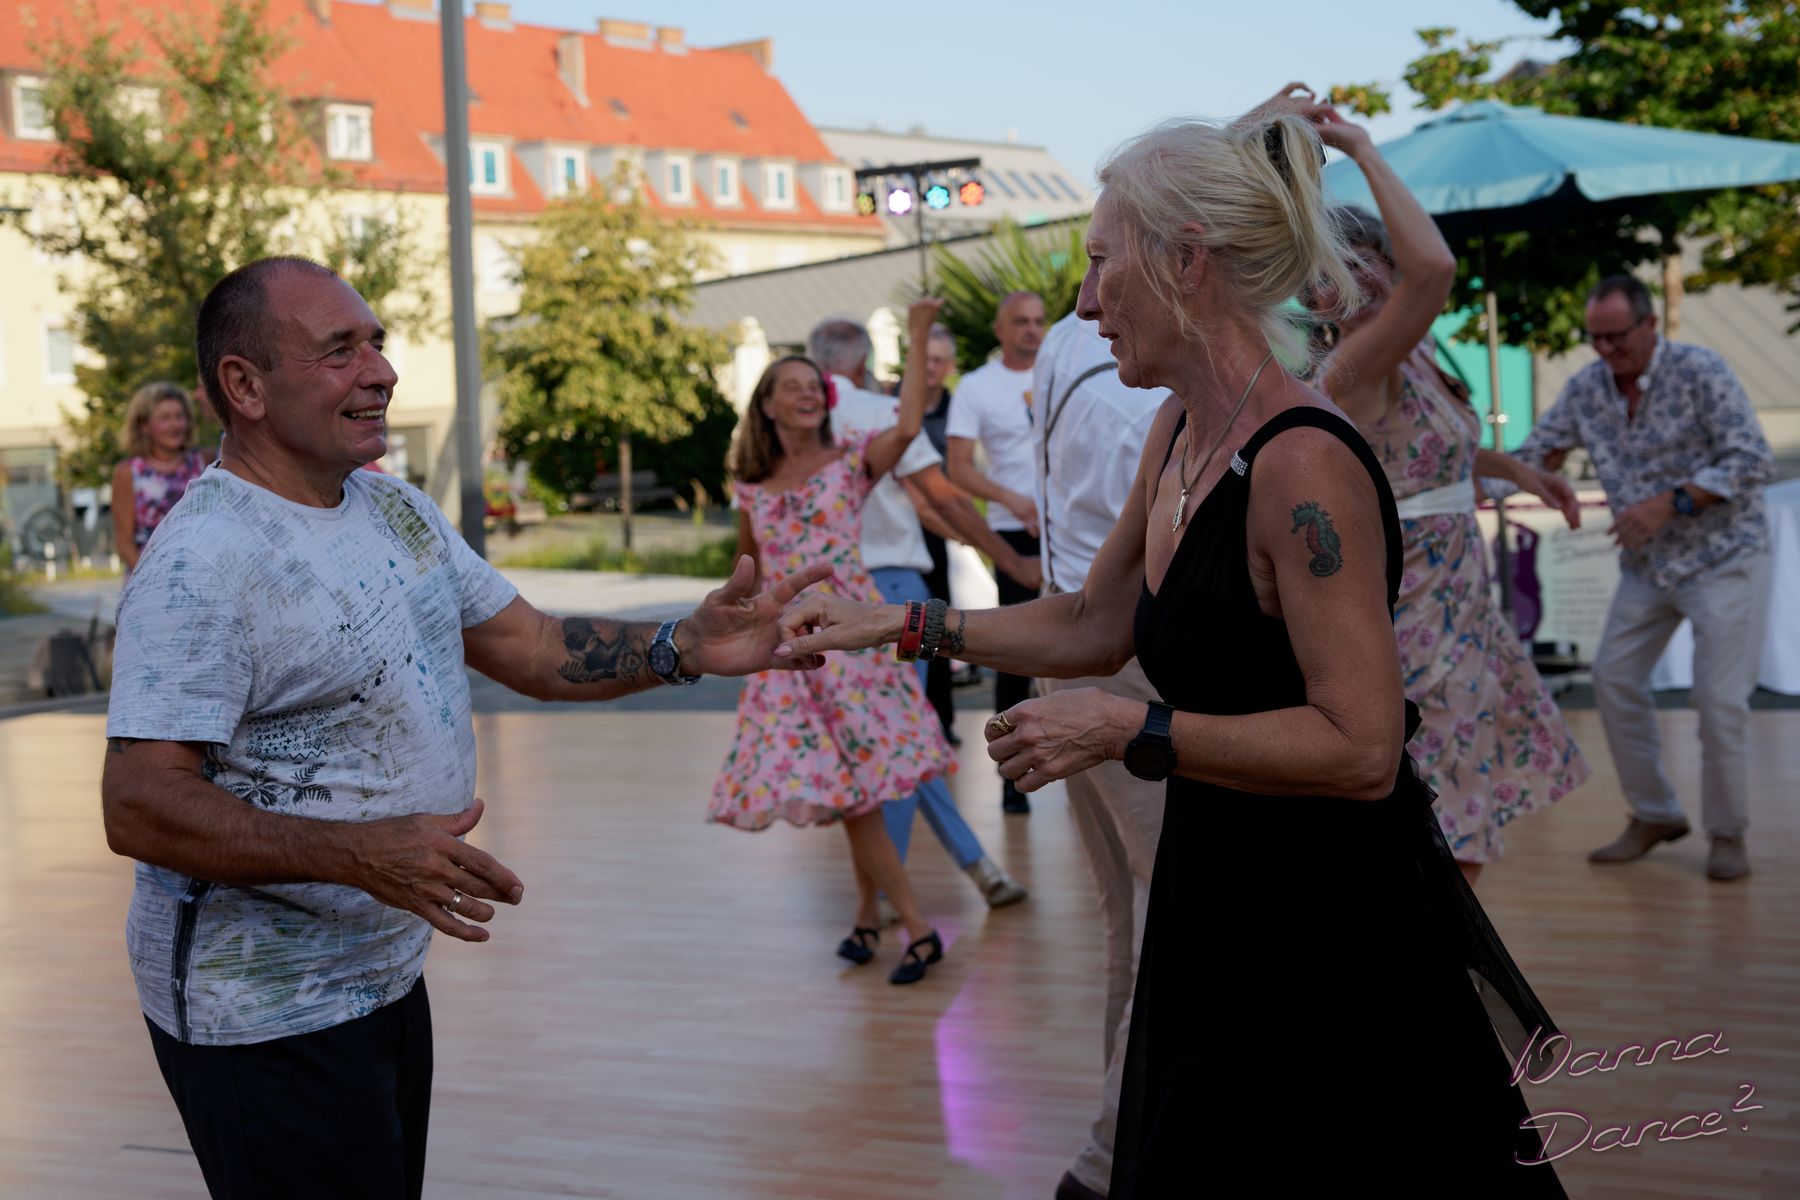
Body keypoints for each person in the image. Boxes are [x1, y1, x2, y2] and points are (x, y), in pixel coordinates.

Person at [776, 89, 1566, 1196]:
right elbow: (1094, 624)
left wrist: (1130, 729)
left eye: (1103, 264)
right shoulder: (1180, 427)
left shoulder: (1302, 463)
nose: (1085, 302)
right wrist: (895, 625)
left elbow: (1362, 747)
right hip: (1218, 879)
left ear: (1189, 261)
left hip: (1320, 913)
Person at [101, 256, 833, 1200]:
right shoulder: (202, 560)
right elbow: (139, 803)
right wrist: (355, 854)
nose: (381, 372)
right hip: (260, 1015)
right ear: (245, 386)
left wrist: (681, 644)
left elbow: (532, 646)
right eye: (339, 351)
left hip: (384, 972)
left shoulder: (393, 508)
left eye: (376, 343)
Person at [1302, 106, 1591, 885]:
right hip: (1412, 616)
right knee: (1441, 821)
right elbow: (1434, 271)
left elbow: (1433, 452)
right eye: (1338, 268)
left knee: (1456, 816)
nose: (1359, 279)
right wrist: (1359, 147)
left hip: (1460, 605)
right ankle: (1430, 961)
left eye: (1369, 260)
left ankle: (1429, 956)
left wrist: (1519, 472)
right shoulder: (1348, 369)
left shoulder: (1416, 350)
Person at [712, 300, 953, 984]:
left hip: (850, 646)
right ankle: (871, 917)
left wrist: (915, 334)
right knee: (855, 794)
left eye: (815, 385)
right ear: (766, 406)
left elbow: (908, 426)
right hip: (791, 658)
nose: (809, 394)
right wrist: (726, 627)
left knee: (858, 796)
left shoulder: (850, 463)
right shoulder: (752, 488)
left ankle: (916, 928)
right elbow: (748, 571)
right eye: (792, 386)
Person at [1509, 273, 1774, 881]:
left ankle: (1727, 833)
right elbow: (1534, 451)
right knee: (1614, 679)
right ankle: (1655, 814)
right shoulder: (1586, 388)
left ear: (1651, 324)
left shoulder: (1701, 369)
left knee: (1717, 700)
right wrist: (1502, 472)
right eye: (1595, 338)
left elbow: (1751, 459)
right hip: (1647, 568)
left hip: (1723, 557)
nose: (1605, 350)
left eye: (1617, 336)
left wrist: (1670, 502)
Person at [806, 316, 1032, 910]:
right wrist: (1008, 558)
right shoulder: (879, 414)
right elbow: (940, 497)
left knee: (898, 735)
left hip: (823, 601)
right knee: (903, 736)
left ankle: (972, 868)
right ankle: (892, 893)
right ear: (861, 362)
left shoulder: (797, 424)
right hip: (890, 590)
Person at [1030, 313, 1168, 1200]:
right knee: (1164, 907)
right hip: (1124, 660)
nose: (1087, 298)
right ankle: (1116, 1151)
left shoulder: (1061, 343)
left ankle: (1127, 1137)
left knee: (1130, 910)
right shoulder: (1151, 392)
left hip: (1076, 647)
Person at [945, 289, 1048, 813]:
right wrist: (1010, 498)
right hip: (1013, 531)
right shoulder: (977, 386)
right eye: (1021, 321)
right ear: (1000, 329)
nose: (1032, 329)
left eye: (1039, 320)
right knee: (1016, 653)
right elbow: (958, 468)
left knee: (1093, 643)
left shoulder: (1061, 373)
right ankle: (1011, 773)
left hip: (1070, 529)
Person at [111, 381, 209, 572]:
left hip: (200, 575)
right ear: (144, 425)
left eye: (180, 416)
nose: (175, 425)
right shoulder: (128, 472)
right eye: (165, 418)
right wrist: (154, 579)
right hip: (147, 578)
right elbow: (124, 542)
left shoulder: (205, 461)